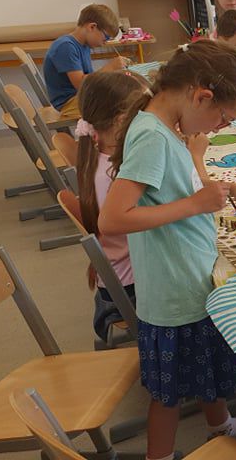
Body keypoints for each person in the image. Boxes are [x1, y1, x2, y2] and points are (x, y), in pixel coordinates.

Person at [98, 41, 236, 460]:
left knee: (205, 367)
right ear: (201, 96)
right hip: (174, 292)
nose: (218, 127)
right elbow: (112, 219)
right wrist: (195, 205)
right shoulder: (152, 137)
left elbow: (175, 187)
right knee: (169, 394)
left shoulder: (161, 124)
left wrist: (227, 188)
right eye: (223, 118)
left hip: (190, 277)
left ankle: (220, 425)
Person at [76, 71, 150, 339]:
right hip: (131, 291)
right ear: (123, 122)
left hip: (118, 281)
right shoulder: (116, 173)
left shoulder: (99, 157)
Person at [43, 4, 129, 118]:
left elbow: (90, 79)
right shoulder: (66, 46)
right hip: (69, 103)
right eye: (106, 37)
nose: (104, 42)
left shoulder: (84, 45)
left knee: (124, 94)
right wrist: (110, 68)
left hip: (81, 97)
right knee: (122, 107)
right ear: (92, 27)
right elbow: (81, 84)